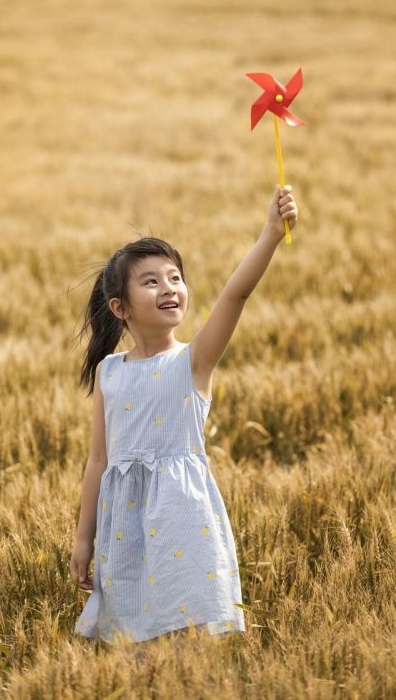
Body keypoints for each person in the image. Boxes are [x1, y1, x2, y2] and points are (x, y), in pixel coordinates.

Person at [70, 184, 298, 643]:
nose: (169, 287)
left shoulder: (193, 362)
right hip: (124, 528)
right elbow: (98, 461)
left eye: (175, 277)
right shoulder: (110, 373)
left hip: (182, 518)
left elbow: (235, 296)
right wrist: (83, 538)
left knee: (185, 636)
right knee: (132, 639)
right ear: (120, 308)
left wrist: (270, 234)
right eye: (151, 281)